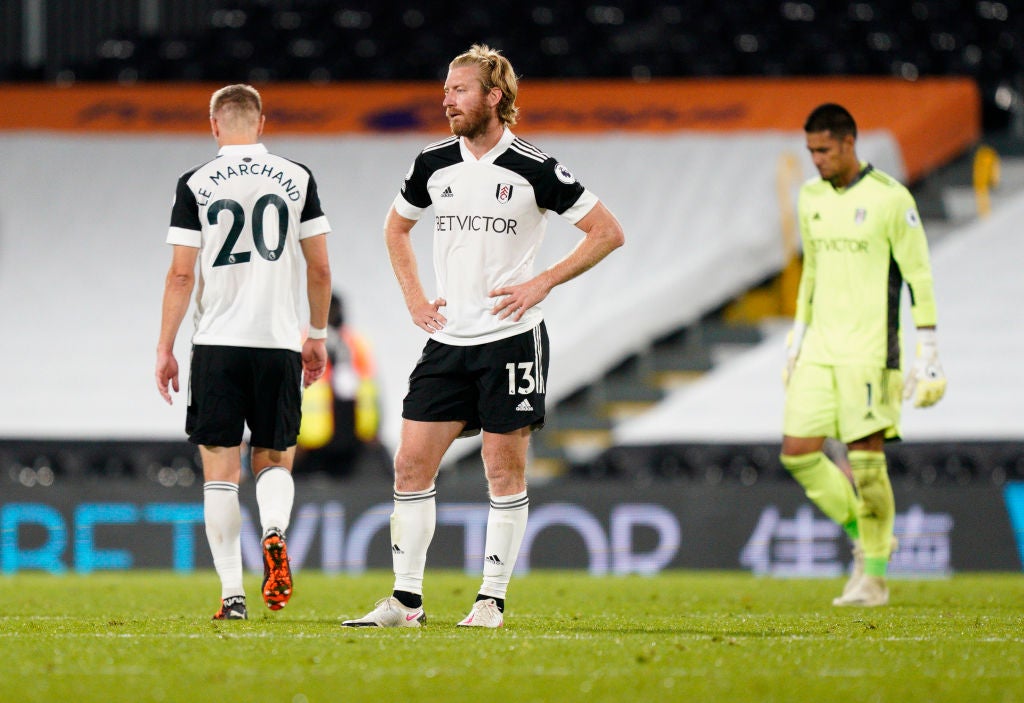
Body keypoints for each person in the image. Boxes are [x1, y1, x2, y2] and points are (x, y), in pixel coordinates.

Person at [342, 44, 624, 629]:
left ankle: (491, 600)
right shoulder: (433, 163)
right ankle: (406, 601)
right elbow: (396, 228)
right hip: (449, 341)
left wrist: (544, 280)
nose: (447, 99)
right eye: (445, 89)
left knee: (503, 471)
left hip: (511, 339)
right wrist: (416, 299)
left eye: (459, 89)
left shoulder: (534, 167)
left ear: (494, 97)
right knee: (410, 466)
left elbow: (606, 232)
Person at [155, 84, 332, 620]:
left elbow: (182, 273)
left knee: (219, 473)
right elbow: (320, 268)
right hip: (277, 343)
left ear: (214, 125)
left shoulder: (195, 182)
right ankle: (274, 532)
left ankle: (232, 596)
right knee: (274, 459)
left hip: (216, 343)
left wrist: (165, 347)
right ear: (261, 123)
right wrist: (317, 334)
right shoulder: (297, 177)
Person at [781, 103, 947, 607]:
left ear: (850, 143)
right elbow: (811, 271)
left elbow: (919, 275)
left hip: (871, 352)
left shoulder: (891, 199)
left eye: (824, 150)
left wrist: (931, 349)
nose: (816, 160)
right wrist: (797, 335)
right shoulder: (809, 197)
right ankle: (869, 533)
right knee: (797, 454)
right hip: (820, 349)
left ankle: (872, 576)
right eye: (810, 151)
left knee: (867, 464)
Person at [295, 291, 382, 477]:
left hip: (352, 434)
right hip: (312, 439)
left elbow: (371, 390)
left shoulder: (355, 343)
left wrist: (373, 430)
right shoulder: (302, 342)